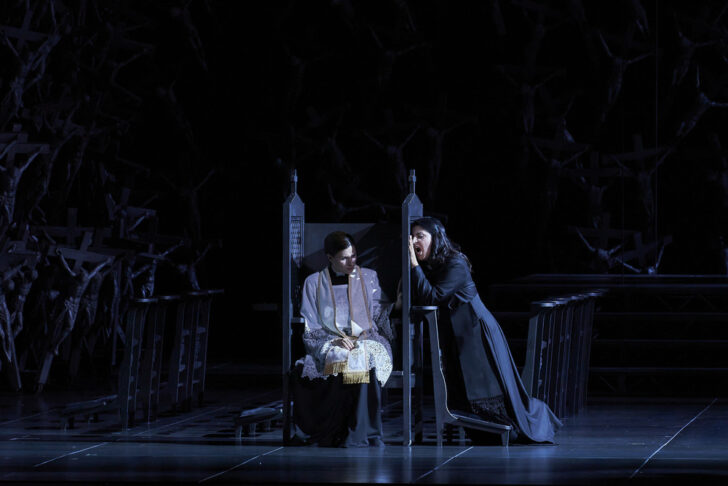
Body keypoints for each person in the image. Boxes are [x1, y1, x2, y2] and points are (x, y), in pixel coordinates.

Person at [408, 217, 562, 443]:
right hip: (458, 334)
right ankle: (486, 431)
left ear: (436, 238)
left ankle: (508, 428)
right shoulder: (434, 266)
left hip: (475, 332)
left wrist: (413, 264)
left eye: (420, 236)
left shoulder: (455, 263)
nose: (414, 242)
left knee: (485, 387)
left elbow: (433, 296)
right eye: (412, 237)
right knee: (464, 388)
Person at [292, 231, 392, 447]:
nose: (351, 262)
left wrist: (395, 307)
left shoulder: (368, 277)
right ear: (330, 258)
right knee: (335, 357)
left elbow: (379, 313)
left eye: (354, 255)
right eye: (344, 258)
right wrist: (333, 342)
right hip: (329, 338)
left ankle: (363, 432)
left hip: (366, 336)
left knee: (363, 357)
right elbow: (311, 324)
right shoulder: (314, 282)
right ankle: (332, 430)